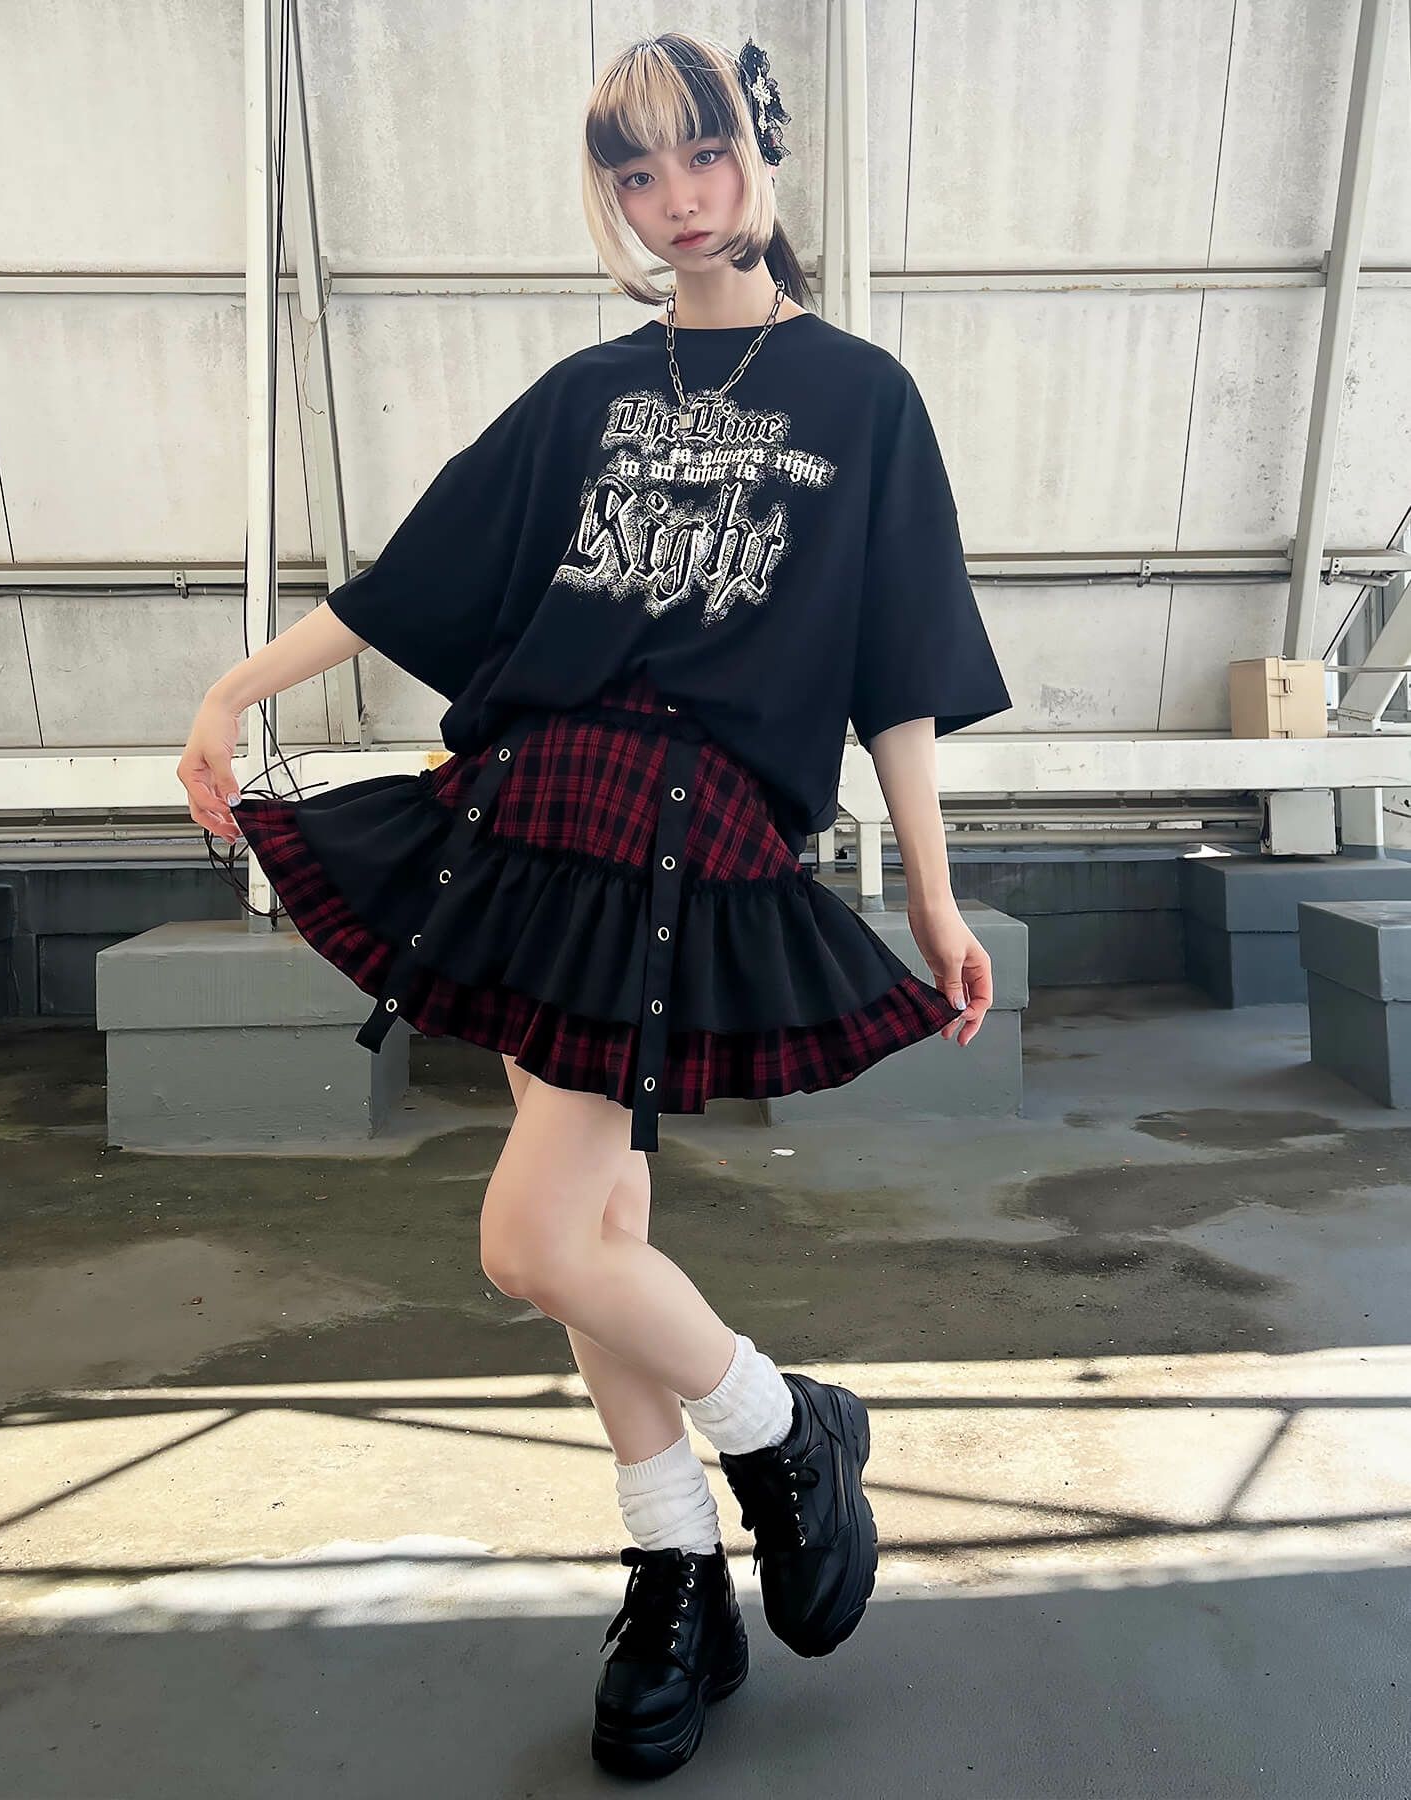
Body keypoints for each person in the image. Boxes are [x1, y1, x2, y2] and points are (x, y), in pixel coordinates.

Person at [177, 27, 1012, 1783]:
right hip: (531, 813)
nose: (675, 201)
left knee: (532, 1239)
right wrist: (236, 689)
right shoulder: (588, 394)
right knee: (597, 1229)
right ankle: (673, 1570)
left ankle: (785, 1426)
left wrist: (935, 895)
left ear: (760, 151)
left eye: (700, 157)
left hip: (688, 832)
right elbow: (422, 572)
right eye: (636, 173)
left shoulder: (862, 396)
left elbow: (900, 672)